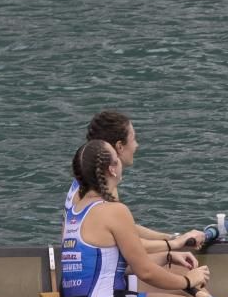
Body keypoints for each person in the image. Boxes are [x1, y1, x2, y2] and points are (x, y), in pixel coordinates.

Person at [60, 141, 228, 297]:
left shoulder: (74, 213)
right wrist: (187, 280)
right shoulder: (113, 211)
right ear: (112, 169)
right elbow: (146, 272)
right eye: (117, 158)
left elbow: (109, 268)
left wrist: (168, 257)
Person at [67, 110, 203, 263]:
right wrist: (174, 244)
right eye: (133, 139)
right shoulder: (99, 193)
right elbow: (129, 243)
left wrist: (170, 237)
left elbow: (126, 229)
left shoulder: (87, 182)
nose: (137, 145)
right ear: (119, 146)